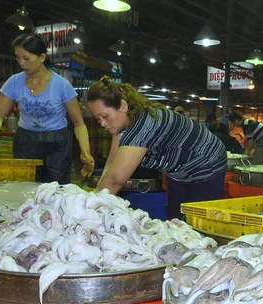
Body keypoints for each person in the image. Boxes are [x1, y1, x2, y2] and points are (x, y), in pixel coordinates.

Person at [0, 33, 94, 183]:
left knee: (56, 190)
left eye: (27, 58)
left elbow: (78, 123)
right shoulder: (14, 82)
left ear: (42, 57)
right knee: (24, 186)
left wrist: (86, 151)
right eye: (18, 58)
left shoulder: (62, 85)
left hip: (57, 144)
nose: (22, 63)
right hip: (26, 142)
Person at [87, 76, 227, 220]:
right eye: (98, 119)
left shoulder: (142, 127)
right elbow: (111, 163)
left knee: (197, 224)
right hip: (178, 171)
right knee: (176, 221)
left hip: (206, 163)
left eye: (105, 116)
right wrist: (97, 196)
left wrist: (90, 212)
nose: (102, 124)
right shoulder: (124, 124)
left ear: (123, 106)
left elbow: (115, 180)